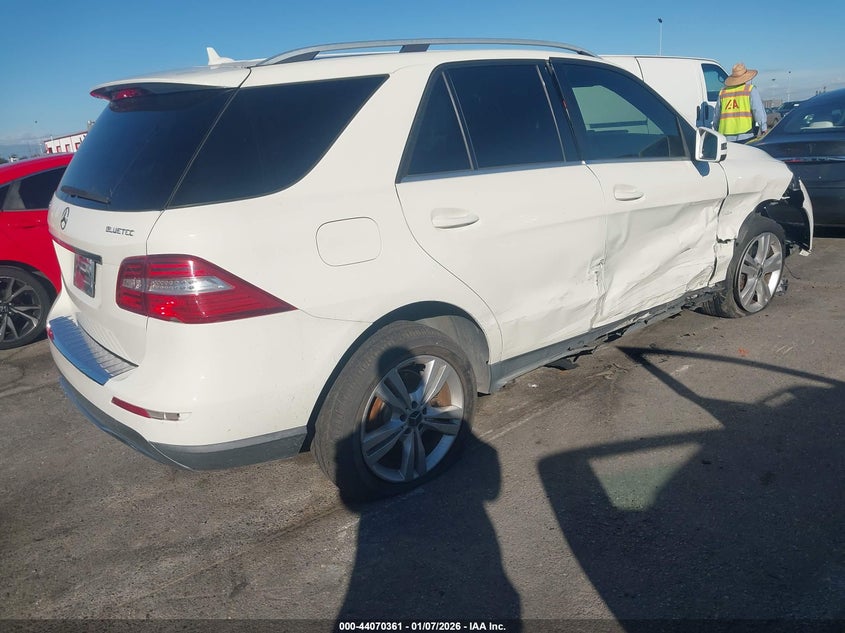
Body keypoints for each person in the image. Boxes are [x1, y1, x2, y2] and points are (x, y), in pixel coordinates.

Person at [714, 62, 767, 142]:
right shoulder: (750, 90)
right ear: (746, 77)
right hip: (745, 134)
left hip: (725, 135)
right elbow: (758, 110)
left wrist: (715, 128)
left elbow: (717, 115)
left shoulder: (723, 92)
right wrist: (763, 127)